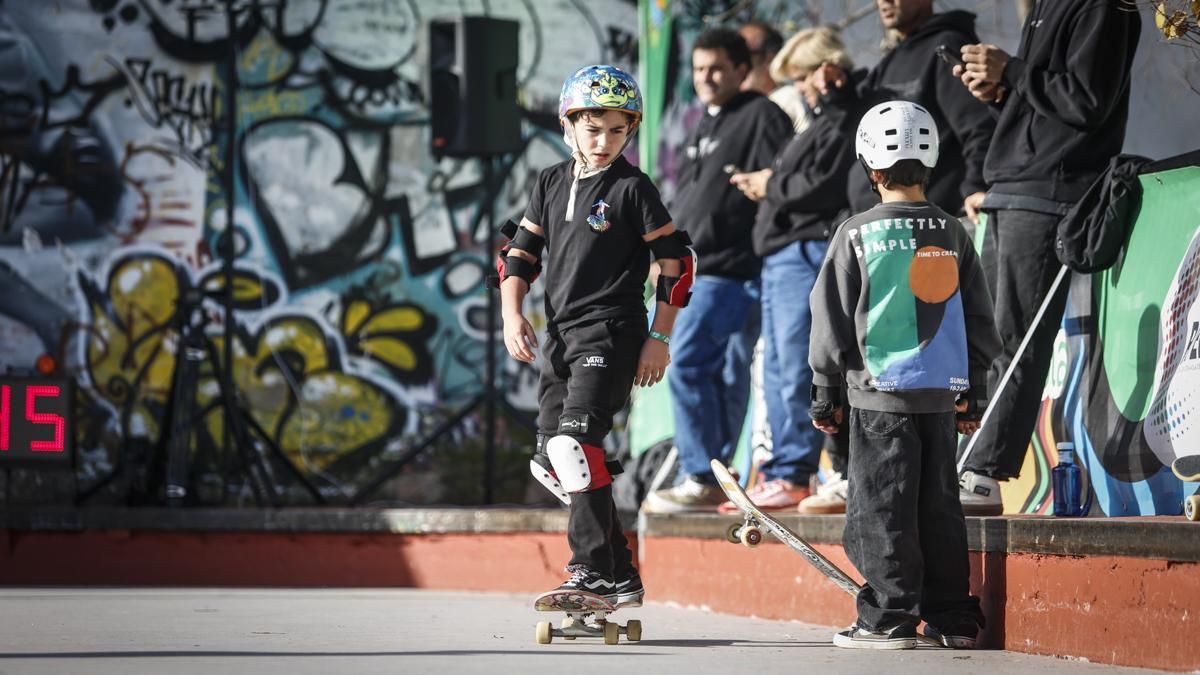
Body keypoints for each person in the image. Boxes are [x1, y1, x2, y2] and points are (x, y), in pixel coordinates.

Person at [808, 100, 1001, 649]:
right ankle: (954, 618)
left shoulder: (855, 234)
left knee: (880, 507)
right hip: (942, 397)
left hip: (877, 402)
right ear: (931, 163)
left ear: (871, 170)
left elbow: (831, 319)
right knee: (939, 506)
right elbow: (979, 317)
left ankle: (889, 617)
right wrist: (975, 387)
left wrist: (826, 389)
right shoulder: (954, 231)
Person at [500, 65, 694, 604]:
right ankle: (621, 572)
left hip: (611, 333)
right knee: (554, 459)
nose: (606, 141)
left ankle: (591, 569)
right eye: (594, 129)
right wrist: (511, 315)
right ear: (569, 125)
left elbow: (677, 263)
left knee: (575, 445)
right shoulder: (549, 182)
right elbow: (518, 255)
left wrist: (660, 338)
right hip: (560, 339)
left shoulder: (633, 187)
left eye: (617, 130)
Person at [801, 0, 997, 515]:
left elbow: (977, 127)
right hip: (913, 382)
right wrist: (842, 97)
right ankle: (849, 472)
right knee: (930, 505)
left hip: (914, 243)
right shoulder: (892, 61)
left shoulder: (942, 50)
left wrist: (976, 185)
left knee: (885, 513)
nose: (885, 2)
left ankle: (892, 596)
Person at [950, 0, 1141, 515]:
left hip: (1049, 193)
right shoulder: (1047, 6)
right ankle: (967, 460)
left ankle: (983, 475)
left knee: (1015, 338)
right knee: (985, 339)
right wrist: (1002, 92)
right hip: (1012, 187)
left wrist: (1010, 70)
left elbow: (1088, 102)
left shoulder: (1102, 7)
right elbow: (1051, 106)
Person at [643, 28, 793, 513]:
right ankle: (716, 476)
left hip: (734, 269)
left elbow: (780, 184)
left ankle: (699, 473)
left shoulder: (762, 116)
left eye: (716, 69)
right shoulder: (703, 123)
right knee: (725, 375)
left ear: (741, 70)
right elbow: (689, 201)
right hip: (693, 268)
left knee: (684, 360)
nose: (705, 78)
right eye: (698, 69)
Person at [727, 26, 862, 517]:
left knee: (794, 369)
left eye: (802, 78)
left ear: (826, 70)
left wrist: (771, 183)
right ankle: (787, 469)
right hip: (780, 255)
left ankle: (794, 471)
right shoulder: (818, 120)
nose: (798, 90)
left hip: (802, 253)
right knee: (781, 367)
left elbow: (824, 184)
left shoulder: (844, 120)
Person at [739, 21, 807, 131]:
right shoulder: (736, 111)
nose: (739, 66)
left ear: (770, 58)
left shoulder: (788, 98)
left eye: (745, 55)